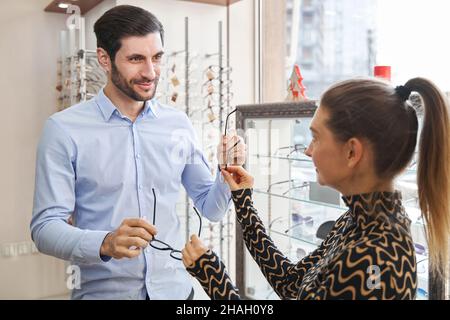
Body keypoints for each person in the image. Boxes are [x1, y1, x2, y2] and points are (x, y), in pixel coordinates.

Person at [30, 5, 246, 300]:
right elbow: (44, 228)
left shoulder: (178, 124)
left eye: (156, 57)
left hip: (178, 293)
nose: (150, 72)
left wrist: (226, 173)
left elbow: (211, 208)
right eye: (136, 59)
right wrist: (105, 243)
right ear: (104, 59)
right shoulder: (63, 130)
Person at [182, 77, 450, 300]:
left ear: (352, 152)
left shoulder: (369, 257)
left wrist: (213, 277)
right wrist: (243, 200)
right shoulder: (357, 222)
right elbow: (291, 283)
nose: (308, 151)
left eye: (316, 137)